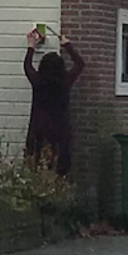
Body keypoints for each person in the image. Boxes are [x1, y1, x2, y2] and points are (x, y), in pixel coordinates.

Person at [24, 29, 84, 175]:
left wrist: (31, 46)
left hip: (38, 127)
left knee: (35, 163)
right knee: (60, 165)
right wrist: (67, 45)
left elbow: (27, 66)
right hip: (60, 127)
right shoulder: (65, 81)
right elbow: (79, 64)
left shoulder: (37, 81)